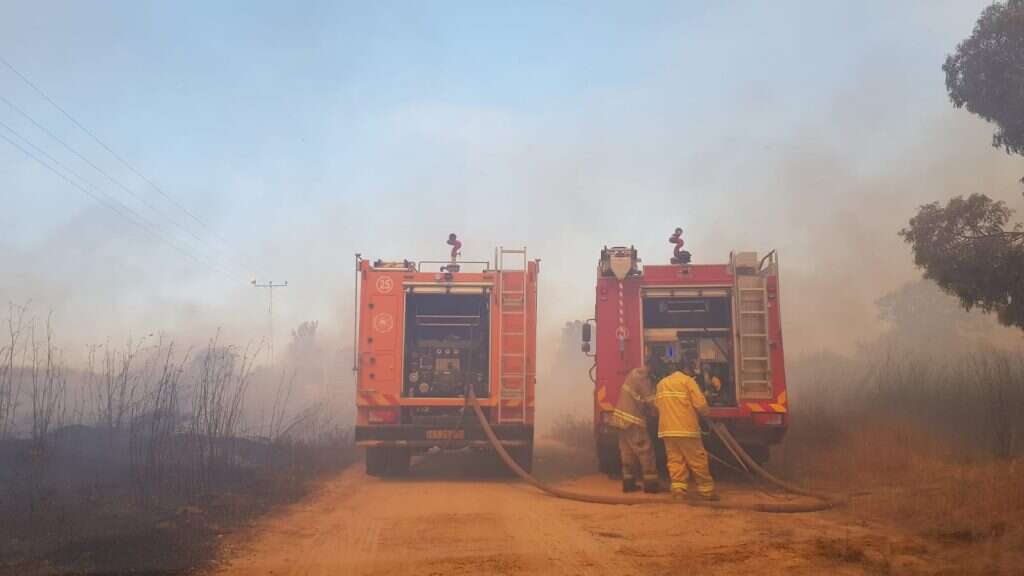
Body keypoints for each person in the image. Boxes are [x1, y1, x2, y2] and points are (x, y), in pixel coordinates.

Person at [653, 352, 718, 500]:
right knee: (697, 460)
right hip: (686, 430)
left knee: (675, 461)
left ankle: (679, 491)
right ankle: (707, 492)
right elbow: (701, 405)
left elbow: (657, 405)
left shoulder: (661, 384)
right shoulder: (688, 382)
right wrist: (707, 413)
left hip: (667, 431)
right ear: (688, 368)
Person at [611, 363, 659, 493]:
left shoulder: (634, 373)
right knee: (645, 450)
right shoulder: (643, 378)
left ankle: (628, 483)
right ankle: (651, 485)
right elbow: (651, 400)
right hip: (633, 421)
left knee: (627, 452)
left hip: (621, 420)